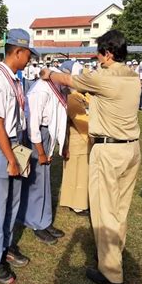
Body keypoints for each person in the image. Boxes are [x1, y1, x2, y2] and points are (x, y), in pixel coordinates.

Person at [40, 29, 141, 284]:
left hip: (109, 150)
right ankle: (113, 254)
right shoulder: (132, 76)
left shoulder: (104, 77)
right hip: (131, 149)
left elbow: (70, 79)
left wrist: (48, 73)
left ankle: (110, 271)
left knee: (104, 211)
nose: (97, 59)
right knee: (120, 209)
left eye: (98, 54)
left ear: (107, 54)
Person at [0, 28, 38, 284]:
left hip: (13, 145)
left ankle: (6, 246)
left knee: (13, 203)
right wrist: (11, 160)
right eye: (28, 55)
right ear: (18, 51)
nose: (30, 60)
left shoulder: (13, 79)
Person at [17, 60, 67, 246]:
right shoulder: (41, 91)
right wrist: (41, 151)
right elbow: (33, 124)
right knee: (36, 182)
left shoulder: (53, 88)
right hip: (36, 137)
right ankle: (37, 224)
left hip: (45, 136)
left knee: (44, 182)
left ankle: (44, 221)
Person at [58, 61, 91, 216]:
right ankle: (77, 204)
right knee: (77, 174)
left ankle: (77, 202)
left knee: (81, 174)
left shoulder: (81, 96)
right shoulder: (72, 98)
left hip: (83, 141)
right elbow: (84, 122)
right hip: (79, 142)